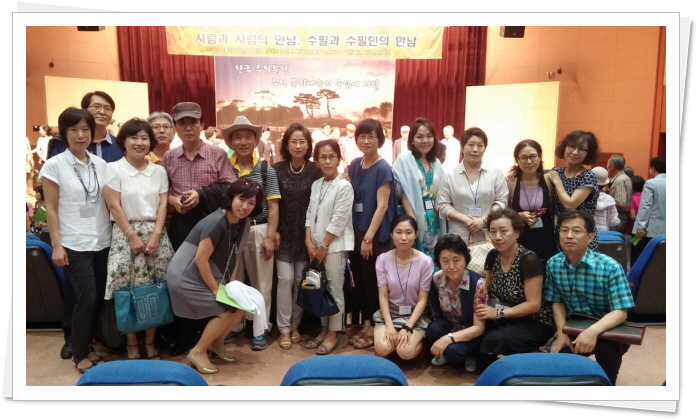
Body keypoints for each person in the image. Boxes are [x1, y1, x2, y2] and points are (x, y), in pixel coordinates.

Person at [161, 102, 237, 357]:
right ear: (175, 128)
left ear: (202, 125)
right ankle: (184, 335)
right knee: (182, 278)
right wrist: (173, 200)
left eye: (193, 122)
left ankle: (210, 335)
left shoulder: (217, 154)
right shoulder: (169, 157)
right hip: (182, 224)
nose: (188, 127)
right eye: (182, 123)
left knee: (210, 276)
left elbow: (230, 186)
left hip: (211, 224)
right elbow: (162, 192)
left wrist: (201, 194)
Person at [39, 107, 111, 374]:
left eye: (85, 129)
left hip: (102, 240)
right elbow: (51, 208)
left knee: (98, 299)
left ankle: (88, 345)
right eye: (74, 130)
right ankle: (79, 353)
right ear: (64, 133)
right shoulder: (54, 166)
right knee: (87, 298)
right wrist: (56, 245)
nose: (80, 135)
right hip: (73, 243)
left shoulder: (101, 165)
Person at [166, 179, 262, 374]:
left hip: (204, 275)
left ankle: (217, 344)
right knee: (226, 310)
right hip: (186, 277)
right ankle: (198, 351)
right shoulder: (216, 222)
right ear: (231, 198)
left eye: (251, 203)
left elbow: (234, 255)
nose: (245, 206)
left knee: (240, 306)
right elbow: (201, 260)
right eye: (241, 199)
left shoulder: (242, 222)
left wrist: (230, 285)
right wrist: (217, 290)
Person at [102, 118, 174, 360]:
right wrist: (132, 236)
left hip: (156, 234)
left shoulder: (159, 171)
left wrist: (156, 235)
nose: (139, 142)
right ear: (123, 141)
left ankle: (150, 340)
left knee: (156, 286)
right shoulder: (114, 169)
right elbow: (114, 205)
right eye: (134, 137)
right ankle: (132, 342)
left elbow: (163, 205)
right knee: (128, 289)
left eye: (144, 138)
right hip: (125, 234)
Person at [545, 210, 635, 385]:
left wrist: (592, 332)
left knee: (607, 356)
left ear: (590, 237)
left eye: (576, 231)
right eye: (564, 230)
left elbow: (620, 312)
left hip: (608, 326)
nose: (569, 235)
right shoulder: (553, 263)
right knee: (557, 365)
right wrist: (562, 332)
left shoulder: (610, 267)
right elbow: (557, 301)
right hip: (573, 326)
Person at [224, 116, 281, 351]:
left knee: (261, 282)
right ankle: (234, 325)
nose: (243, 142)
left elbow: (274, 205)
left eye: (248, 137)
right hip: (232, 229)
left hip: (259, 228)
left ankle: (260, 328)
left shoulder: (266, 169)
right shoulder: (225, 167)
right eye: (238, 137)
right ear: (231, 142)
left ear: (256, 140)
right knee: (232, 281)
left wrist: (270, 235)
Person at [475, 209, 556, 371]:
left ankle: (531, 360)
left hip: (534, 320)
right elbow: (488, 287)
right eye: (493, 232)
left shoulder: (528, 259)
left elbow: (533, 305)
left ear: (517, 233)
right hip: (506, 316)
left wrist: (498, 313)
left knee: (494, 341)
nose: (497, 237)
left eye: (503, 231)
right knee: (474, 331)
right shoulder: (493, 255)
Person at [347, 119, 397, 350]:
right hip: (356, 233)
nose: (366, 141)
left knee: (373, 283)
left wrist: (368, 239)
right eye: (362, 136)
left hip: (374, 237)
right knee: (360, 281)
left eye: (371, 137)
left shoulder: (383, 168)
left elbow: (383, 206)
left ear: (380, 140)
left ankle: (374, 327)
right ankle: (367, 323)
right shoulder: (354, 164)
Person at [273, 123, 322, 350]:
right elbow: (272, 204)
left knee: (300, 282)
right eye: (293, 141)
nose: (298, 145)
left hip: (306, 237)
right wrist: (273, 231)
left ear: (308, 145)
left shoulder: (315, 170)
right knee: (284, 280)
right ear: (286, 145)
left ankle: (295, 326)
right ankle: (283, 328)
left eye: (302, 141)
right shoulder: (276, 169)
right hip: (283, 235)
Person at [304, 139, 354, 354]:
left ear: (339, 159)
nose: (327, 161)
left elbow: (339, 220)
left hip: (333, 247)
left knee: (334, 291)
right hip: (315, 247)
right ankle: (324, 329)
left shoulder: (344, 186)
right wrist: (308, 241)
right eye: (322, 157)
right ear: (316, 160)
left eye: (331, 156)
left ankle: (334, 332)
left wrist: (323, 245)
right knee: (318, 288)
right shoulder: (316, 184)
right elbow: (309, 213)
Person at [373, 215, 433, 360]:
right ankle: (395, 342)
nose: (403, 237)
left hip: (415, 315)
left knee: (405, 352)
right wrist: (389, 325)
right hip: (390, 313)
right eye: (399, 232)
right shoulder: (382, 260)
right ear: (391, 234)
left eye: (408, 232)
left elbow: (422, 300)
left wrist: (407, 327)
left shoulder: (425, 262)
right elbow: (383, 296)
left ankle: (419, 345)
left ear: (416, 234)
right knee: (382, 348)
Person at [437, 127, 508, 244]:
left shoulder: (496, 173)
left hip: (489, 233)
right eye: (471, 145)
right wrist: (466, 220)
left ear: (484, 148)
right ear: (462, 147)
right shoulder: (449, 175)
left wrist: (484, 220)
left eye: (480, 145)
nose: (475, 149)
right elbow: (443, 205)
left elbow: (501, 201)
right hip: (459, 234)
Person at [426, 234, 487, 368]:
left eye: (456, 260)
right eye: (445, 261)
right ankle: (445, 351)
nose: (451, 266)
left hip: (471, 331)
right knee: (433, 329)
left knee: (454, 352)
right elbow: (437, 312)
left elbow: (479, 328)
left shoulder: (478, 284)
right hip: (450, 325)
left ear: (465, 259)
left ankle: (471, 354)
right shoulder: (437, 279)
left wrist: (448, 339)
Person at [392, 118, 445, 259]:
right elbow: (403, 193)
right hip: (412, 215)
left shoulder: (436, 162)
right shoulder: (404, 159)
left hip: (433, 218)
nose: (425, 141)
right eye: (420, 136)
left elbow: (442, 192)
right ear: (412, 139)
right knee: (415, 259)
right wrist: (413, 222)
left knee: (434, 258)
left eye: (429, 136)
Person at [547, 130, 600, 251]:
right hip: (561, 233)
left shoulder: (588, 176)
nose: (575, 152)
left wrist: (557, 181)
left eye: (582, 149)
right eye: (572, 146)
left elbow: (570, 205)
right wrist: (515, 174)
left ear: (588, 153)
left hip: (581, 234)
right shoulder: (557, 172)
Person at [506, 140, 556, 264]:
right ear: (517, 160)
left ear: (540, 157)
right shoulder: (511, 182)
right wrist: (518, 215)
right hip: (519, 239)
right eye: (523, 157)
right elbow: (502, 212)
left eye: (533, 156)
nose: (529, 161)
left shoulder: (549, 180)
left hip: (546, 240)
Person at [49, 91, 124, 163]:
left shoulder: (120, 144)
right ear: (84, 110)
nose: (102, 112)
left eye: (107, 108)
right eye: (96, 106)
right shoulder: (65, 142)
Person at [631, 157, 666, 265]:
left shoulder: (651, 183)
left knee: (640, 260)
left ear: (653, 168)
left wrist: (641, 226)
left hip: (649, 230)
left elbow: (645, 206)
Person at [606, 155, 632, 232]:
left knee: (613, 237)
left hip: (618, 216)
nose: (607, 167)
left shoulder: (619, 180)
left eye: (607, 164)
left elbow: (621, 203)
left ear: (612, 166)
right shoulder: (624, 177)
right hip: (621, 215)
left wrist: (607, 199)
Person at [591, 167, 619, 232]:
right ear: (605, 184)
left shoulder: (584, 197)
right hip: (604, 232)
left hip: (587, 231)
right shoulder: (609, 199)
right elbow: (614, 221)